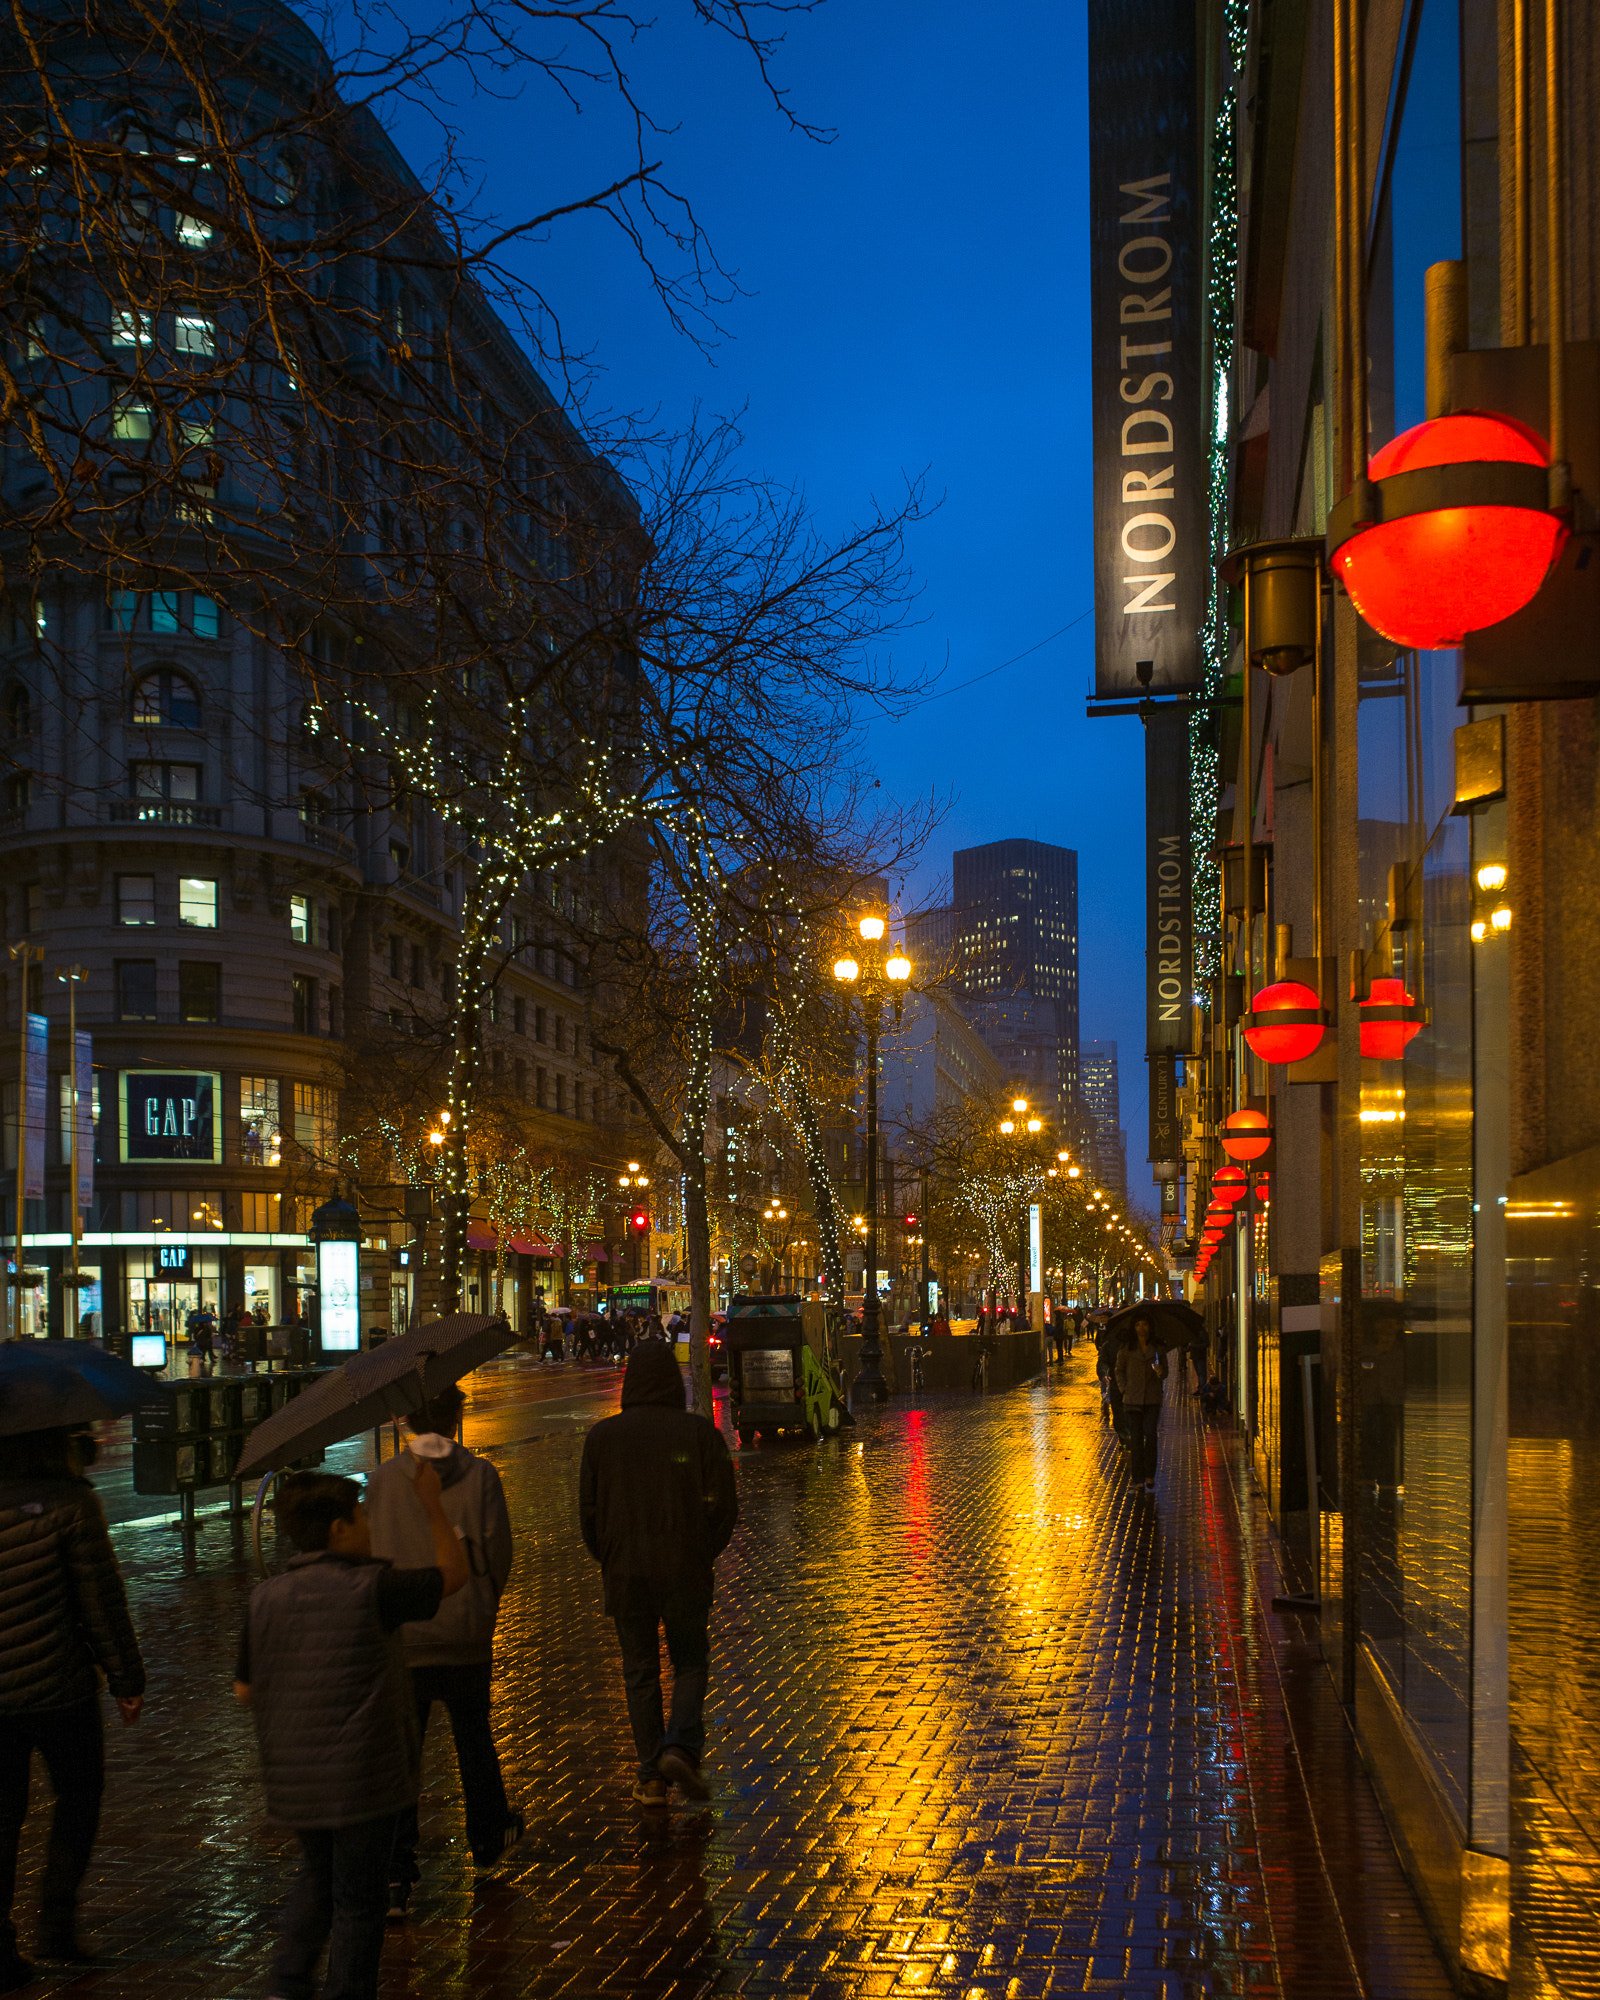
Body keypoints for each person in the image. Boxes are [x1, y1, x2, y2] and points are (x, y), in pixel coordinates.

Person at [235, 1467, 468, 2000]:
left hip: (297, 1780)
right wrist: (432, 1503)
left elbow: (246, 1690)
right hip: (365, 1776)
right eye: (362, 1517)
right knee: (359, 1902)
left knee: (318, 1877)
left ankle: (288, 1982)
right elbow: (452, 1575)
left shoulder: (264, 1598)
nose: (369, 1527)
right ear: (339, 1528)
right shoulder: (375, 1587)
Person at [365, 1385, 521, 1919]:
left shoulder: (382, 1480)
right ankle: (486, 1837)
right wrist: (481, 1602)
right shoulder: (480, 1477)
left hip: (403, 1638)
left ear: (407, 1420)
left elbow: (369, 1557)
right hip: (464, 1632)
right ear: (455, 1418)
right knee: (474, 1738)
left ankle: (396, 1873)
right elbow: (499, 1551)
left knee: (403, 1755)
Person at [0, 1427, 145, 1991]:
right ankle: (56, 1923)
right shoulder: (72, 1502)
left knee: (2, 1816)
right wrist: (125, 1677)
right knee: (79, 1798)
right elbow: (100, 1598)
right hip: (59, 1687)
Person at [579, 1343, 737, 1806]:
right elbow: (724, 1507)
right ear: (673, 1379)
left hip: (626, 1569)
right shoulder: (700, 1435)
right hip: (685, 1566)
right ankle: (679, 1746)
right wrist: (703, 1549)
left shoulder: (602, 1438)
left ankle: (651, 1776)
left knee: (641, 1670)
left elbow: (589, 1512)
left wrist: (608, 1554)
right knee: (689, 1661)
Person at [1116, 1316, 1168, 1496]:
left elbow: (1165, 1372)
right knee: (1136, 1439)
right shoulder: (1127, 1348)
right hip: (1132, 1400)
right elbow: (1119, 1370)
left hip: (1152, 1399)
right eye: (1137, 1324)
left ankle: (1150, 1474)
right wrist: (1124, 1389)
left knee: (1151, 1434)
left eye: (1145, 1323)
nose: (1141, 1328)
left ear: (1150, 1326)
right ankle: (1138, 1478)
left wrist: (1161, 1372)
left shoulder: (1157, 1348)